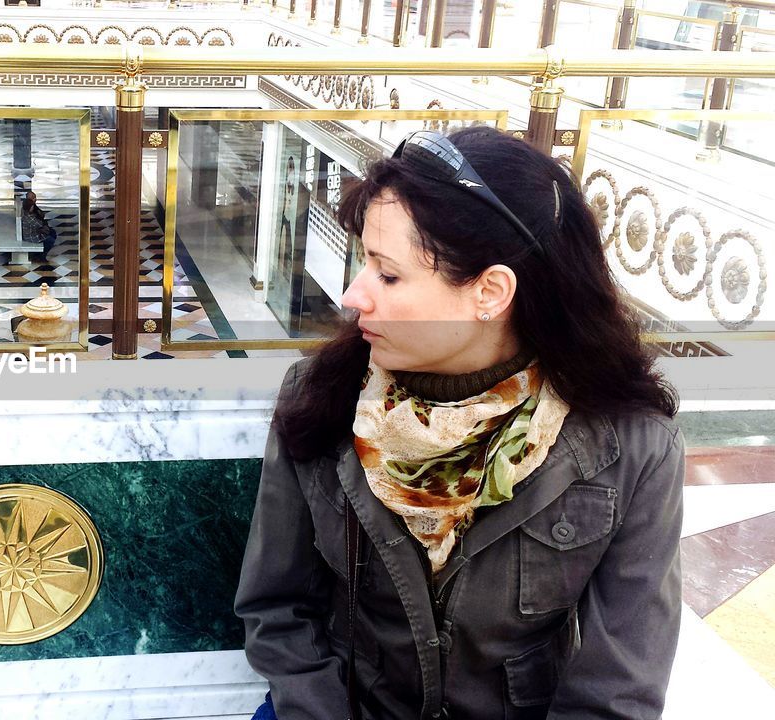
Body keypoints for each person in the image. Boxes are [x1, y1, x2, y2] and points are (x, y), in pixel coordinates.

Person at [236, 127, 683, 720]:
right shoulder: (324, 397)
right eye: (364, 264)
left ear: (490, 291)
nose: (353, 295)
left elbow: (616, 689)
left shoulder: (629, 448)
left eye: (387, 274)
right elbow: (278, 610)